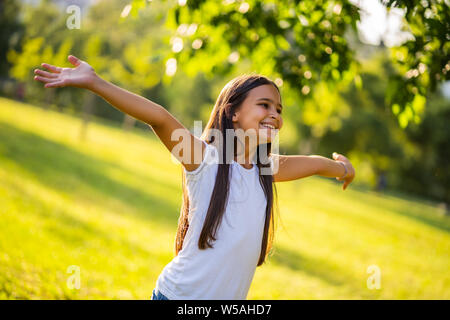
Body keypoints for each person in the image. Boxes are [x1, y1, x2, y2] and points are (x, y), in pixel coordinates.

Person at [34, 55, 355, 300]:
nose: (275, 114)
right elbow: (158, 117)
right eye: (264, 105)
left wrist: (343, 168)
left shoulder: (264, 169)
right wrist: (96, 82)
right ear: (234, 112)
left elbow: (313, 164)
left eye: (279, 109)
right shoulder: (204, 158)